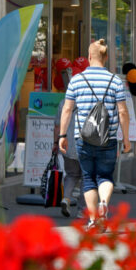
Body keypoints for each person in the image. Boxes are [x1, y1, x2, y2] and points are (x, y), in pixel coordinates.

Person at [58, 39, 131, 230]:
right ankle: (104, 203)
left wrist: (62, 135)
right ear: (106, 58)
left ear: (90, 57)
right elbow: (123, 112)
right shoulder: (115, 81)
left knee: (88, 178)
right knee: (105, 176)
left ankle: (92, 220)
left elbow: (67, 110)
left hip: (83, 138)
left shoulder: (76, 80)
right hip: (108, 139)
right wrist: (126, 138)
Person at [54, 71, 86, 218]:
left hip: (66, 144)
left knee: (72, 175)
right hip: (85, 145)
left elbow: (57, 126)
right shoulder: (89, 101)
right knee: (87, 177)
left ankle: (66, 198)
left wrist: (55, 143)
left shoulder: (63, 102)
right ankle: (82, 210)